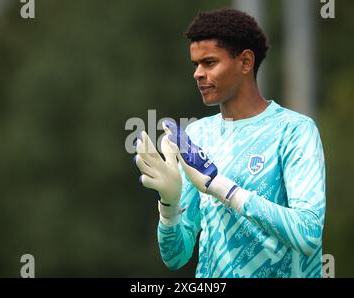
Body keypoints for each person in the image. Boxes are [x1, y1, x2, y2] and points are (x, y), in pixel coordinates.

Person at [134, 8, 326, 278]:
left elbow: (308, 234)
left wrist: (220, 186)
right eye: (195, 65)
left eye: (209, 62)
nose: (198, 74)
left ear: (246, 62)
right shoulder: (197, 136)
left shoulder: (295, 131)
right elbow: (175, 257)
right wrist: (169, 206)